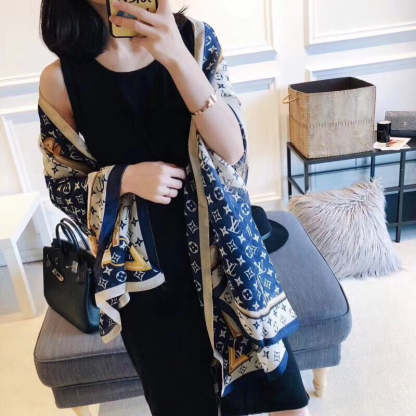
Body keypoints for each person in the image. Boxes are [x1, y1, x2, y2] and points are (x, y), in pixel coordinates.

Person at [38, 0, 312, 414]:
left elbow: (233, 151)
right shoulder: (62, 78)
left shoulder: (195, 40)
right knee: (181, 400)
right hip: (146, 279)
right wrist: (125, 178)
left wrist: (177, 58)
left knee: (285, 394)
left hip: (229, 256)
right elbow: (62, 184)